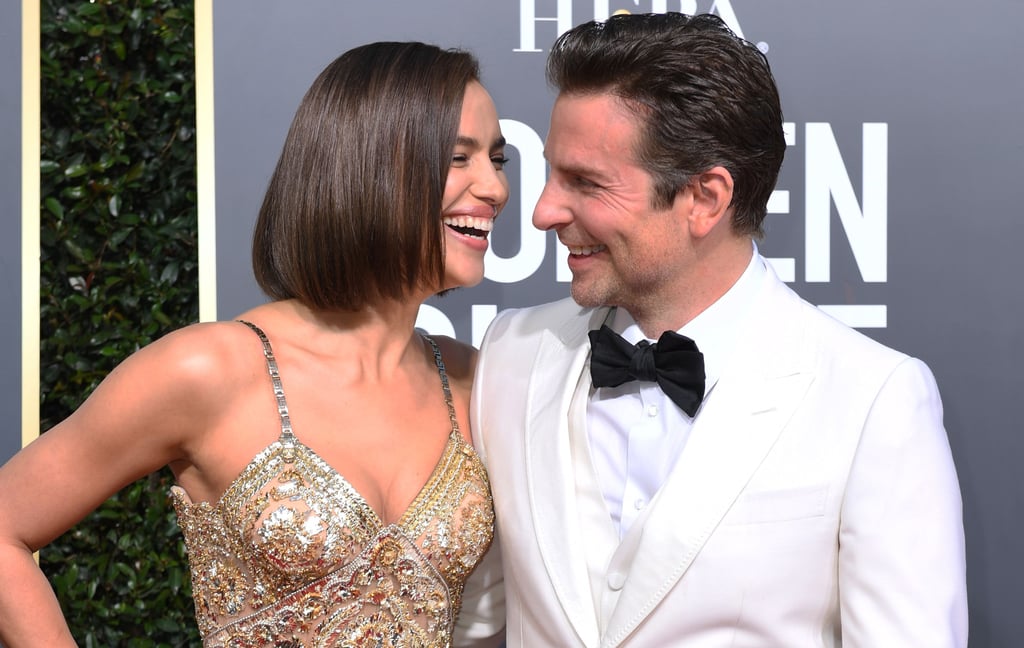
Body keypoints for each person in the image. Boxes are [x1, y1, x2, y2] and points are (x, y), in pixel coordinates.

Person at [471, 12, 968, 647]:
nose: (543, 211)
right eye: (550, 172)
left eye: (586, 183)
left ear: (705, 198)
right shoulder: (511, 356)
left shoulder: (874, 398)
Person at [0, 41, 507, 647]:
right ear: (371, 165)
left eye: (499, 161)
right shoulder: (209, 369)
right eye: (459, 158)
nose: (495, 188)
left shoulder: (474, 381)